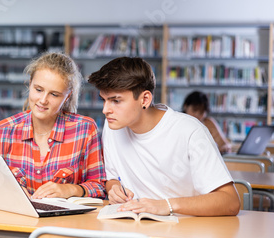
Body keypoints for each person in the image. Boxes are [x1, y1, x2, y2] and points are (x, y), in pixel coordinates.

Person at [0, 52, 106, 238]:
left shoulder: (84, 129)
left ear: (67, 96)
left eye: (54, 94)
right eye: (38, 89)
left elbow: (99, 187)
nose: (43, 100)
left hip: (66, 233)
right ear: (29, 85)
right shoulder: (4, 130)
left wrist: (71, 189)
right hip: (14, 232)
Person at [88, 57, 240, 217]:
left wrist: (167, 205)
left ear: (145, 99)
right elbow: (113, 178)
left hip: (183, 229)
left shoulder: (190, 131)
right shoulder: (113, 126)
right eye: (104, 100)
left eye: (116, 101)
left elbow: (230, 202)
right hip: (134, 227)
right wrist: (114, 190)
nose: (105, 110)